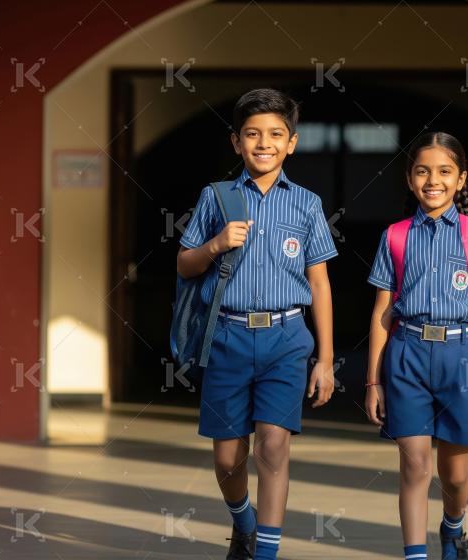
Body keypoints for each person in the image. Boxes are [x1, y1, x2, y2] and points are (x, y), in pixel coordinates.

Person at [176, 88, 337, 560]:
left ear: (292, 143)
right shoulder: (216, 197)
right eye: (252, 134)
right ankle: (243, 522)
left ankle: (265, 552)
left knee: (273, 448)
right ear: (235, 143)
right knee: (228, 458)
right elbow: (185, 264)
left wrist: (325, 359)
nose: (263, 143)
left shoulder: (307, 204)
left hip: (287, 339)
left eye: (274, 134)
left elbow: (320, 284)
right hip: (225, 335)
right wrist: (216, 244)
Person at [364, 131, 468, 560]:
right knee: (414, 465)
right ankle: (415, 554)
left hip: (463, 359)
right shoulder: (394, 236)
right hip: (406, 355)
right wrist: (373, 381)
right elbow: (381, 312)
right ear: (410, 179)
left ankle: (453, 526)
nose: (434, 180)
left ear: (461, 179)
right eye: (423, 171)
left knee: (455, 475)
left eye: (445, 171)